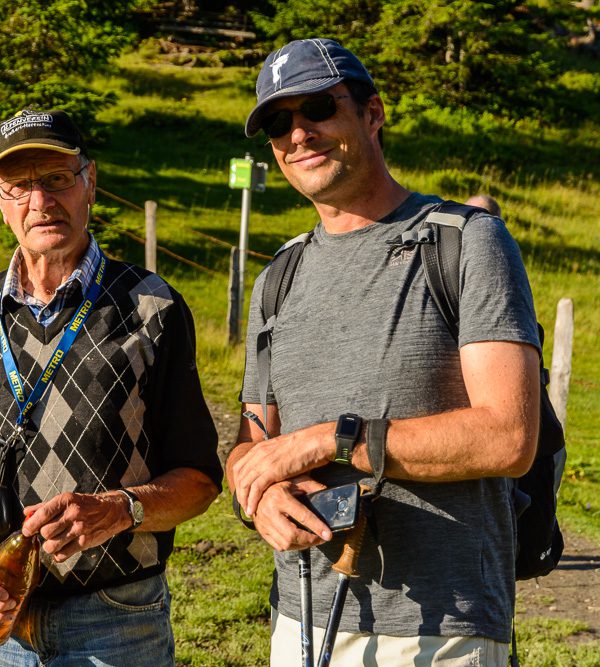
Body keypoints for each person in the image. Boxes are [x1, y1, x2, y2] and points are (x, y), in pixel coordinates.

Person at [228, 39, 540, 666]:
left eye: (318, 107)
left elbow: (509, 438)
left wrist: (331, 440)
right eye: (278, 124)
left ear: (372, 114)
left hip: (441, 630)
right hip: (301, 620)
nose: (298, 134)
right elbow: (255, 444)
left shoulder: (467, 243)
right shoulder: (278, 277)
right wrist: (256, 492)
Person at [0, 109, 222, 666]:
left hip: (114, 621)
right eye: (18, 186)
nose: (40, 201)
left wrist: (117, 510)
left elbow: (201, 479)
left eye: (57, 179)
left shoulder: (151, 307)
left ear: (89, 183)